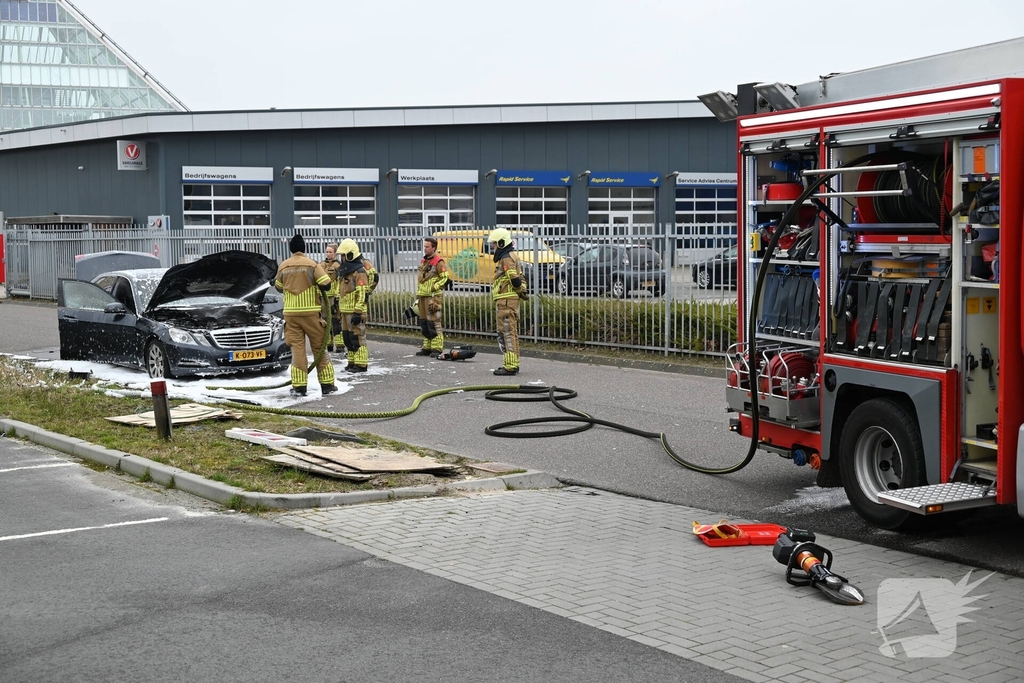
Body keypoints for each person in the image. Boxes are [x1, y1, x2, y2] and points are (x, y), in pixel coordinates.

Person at [273, 233, 337, 395]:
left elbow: (278, 287)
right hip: (310, 314)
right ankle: (327, 385)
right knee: (319, 348)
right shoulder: (312, 264)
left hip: (291, 315)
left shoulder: (284, 266)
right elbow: (326, 284)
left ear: (291, 249)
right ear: (304, 249)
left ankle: (299, 387)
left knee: (297, 350)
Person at [488, 228, 528, 375]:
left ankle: (510, 366)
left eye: (494, 244)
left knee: (506, 333)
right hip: (508, 300)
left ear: (501, 243)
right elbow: (521, 278)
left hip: (506, 301)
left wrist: (519, 290)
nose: (493, 247)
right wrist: (522, 291)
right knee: (511, 332)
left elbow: (515, 279)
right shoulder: (512, 256)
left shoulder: (505, 258)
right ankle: (512, 363)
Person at [336, 238, 370, 372]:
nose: (342, 258)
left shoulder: (359, 272)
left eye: (344, 255)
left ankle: (361, 364)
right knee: (347, 338)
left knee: (357, 338)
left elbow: (362, 293)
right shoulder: (346, 271)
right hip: (345, 310)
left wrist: (358, 311)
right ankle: (352, 362)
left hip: (355, 312)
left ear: (350, 255)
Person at [415, 236, 449, 357]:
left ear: (434, 248)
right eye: (424, 246)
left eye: (427, 247)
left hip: (433, 297)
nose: (425, 249)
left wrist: (434, 287)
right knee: (424, 323)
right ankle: (427, 347)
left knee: (434, 322)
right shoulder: (424, 261)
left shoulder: (439, 262)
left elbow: (445, 278)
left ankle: (437, 348)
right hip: (423, 296)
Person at [321, 243, 342, 352]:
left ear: (335, 253)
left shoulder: (338, 266)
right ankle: (328, 344)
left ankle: (340, 345)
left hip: (333, 297)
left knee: (336, 321)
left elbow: (340, 282)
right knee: (325, 321)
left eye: (330, 252)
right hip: (323, 297)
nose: (328, 254)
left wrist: (337, 298)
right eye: (327, 251)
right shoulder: (321, 265)